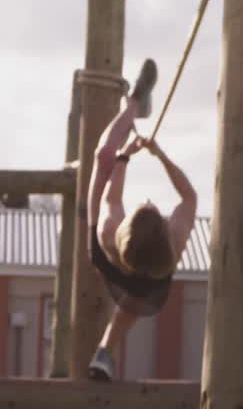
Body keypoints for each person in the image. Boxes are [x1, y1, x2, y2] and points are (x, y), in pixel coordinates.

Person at [84, 59, 199, 382]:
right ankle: (105, 352)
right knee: (130, 307)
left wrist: (125, 156)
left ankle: (134, 104)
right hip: (148, 287)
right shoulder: (174, 241)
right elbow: (189, 196)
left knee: (104, 157)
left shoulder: (108, 231)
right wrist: (159, 155)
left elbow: (112, 198)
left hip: (113, 264)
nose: (149, 200)